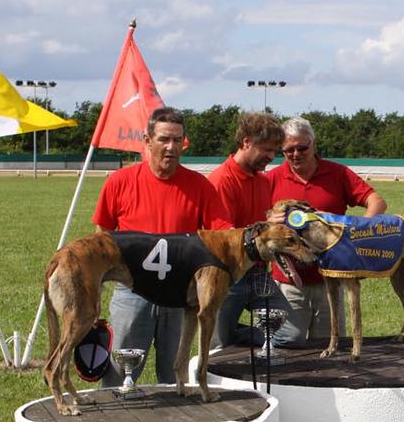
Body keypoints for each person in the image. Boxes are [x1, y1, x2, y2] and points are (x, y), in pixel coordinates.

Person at [92, 107, 231, 385]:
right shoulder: (119, 182)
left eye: (178, 140)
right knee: (120, 374)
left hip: (180, 295)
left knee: (173, 376)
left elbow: (222, 236)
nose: (171, 147)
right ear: (147, 140)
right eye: (164, 139)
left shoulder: (200, 186)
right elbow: (101, 239)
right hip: (132, 292)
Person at [266, 116, 386, 343]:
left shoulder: (338, 173)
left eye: (302, 147)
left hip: (330, 280)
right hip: (289, 284)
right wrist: (270, 220)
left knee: (333, 350)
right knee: (288, 347)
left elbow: (376, 201)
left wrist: (358, 233)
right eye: (288, 150)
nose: (295, 154)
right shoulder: (271, 179)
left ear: (314, 144)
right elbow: (256, 224)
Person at [207, 112, 284, 347]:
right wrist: (268, 231)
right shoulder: (221, 179)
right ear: (246, 142)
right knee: (219, 345)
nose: (271, 156)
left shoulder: (262, 181)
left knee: (286, 331)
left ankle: (235, 336)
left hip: (258, 271)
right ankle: (228, 338)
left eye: (274, 151)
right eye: (266, 149)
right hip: (228, 274)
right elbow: (226, 235)